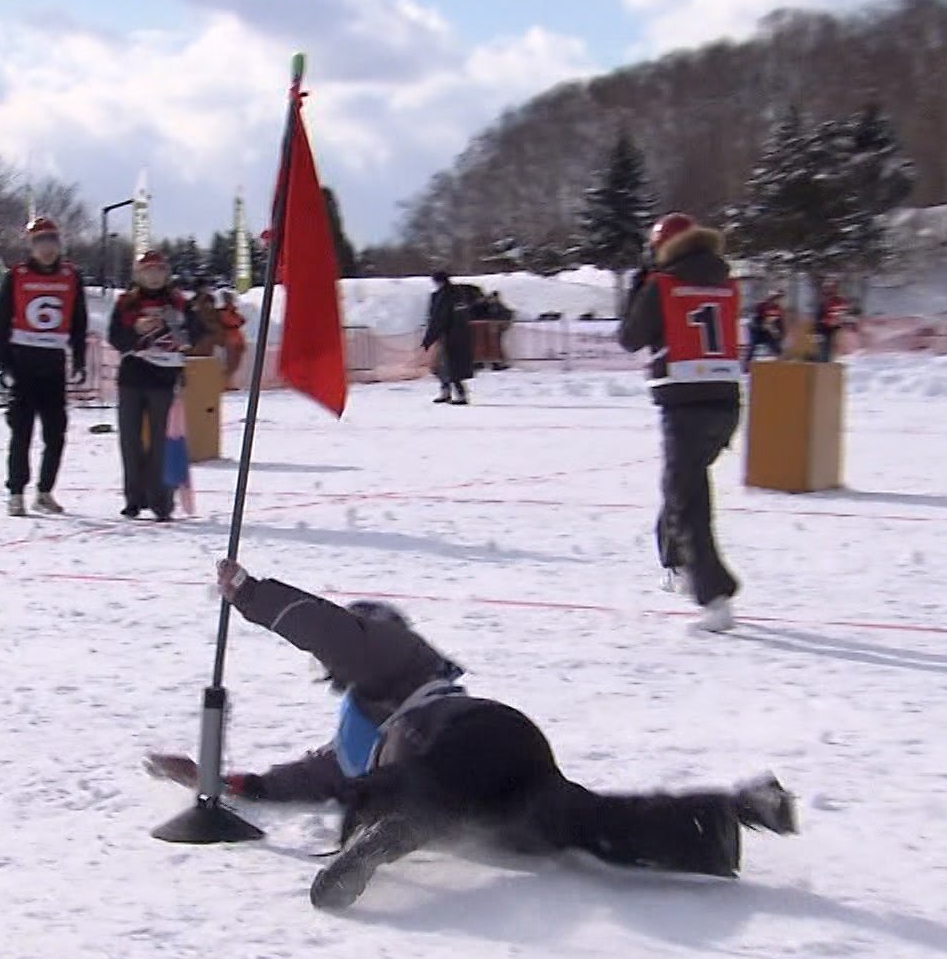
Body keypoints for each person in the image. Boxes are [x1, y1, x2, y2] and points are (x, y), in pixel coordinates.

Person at [146, 562, 798, 910]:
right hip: (510, 776)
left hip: (468, 737)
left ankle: (398, 832)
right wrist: (211, 782)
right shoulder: (358, 728)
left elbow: (330, 631)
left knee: (395, 790)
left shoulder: (390, 656)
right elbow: (287, 782)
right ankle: (730, 813)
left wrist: (251, 595)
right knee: (588, 824)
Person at [617, 213, 744, 632]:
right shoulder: (723, 281)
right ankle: (675, 563)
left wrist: (640, 287)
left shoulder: (663, 285)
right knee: (683, 486)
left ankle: (714, 597)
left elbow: (630, 337)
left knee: (686, 498)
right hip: (725, 401)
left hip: (685, 403)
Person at [0, 216, 87, 518]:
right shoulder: (16, 275)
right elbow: (0, 319)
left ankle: (45, 491)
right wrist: (2, 362)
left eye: (51, 242)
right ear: (31, 246)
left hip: (53, 364)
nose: (46, 249)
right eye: (40, 243)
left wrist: (80, 358)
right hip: (23, 361)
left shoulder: (71, 276)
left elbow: (79, 321)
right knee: (21, 432)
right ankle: (16, 491)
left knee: (56, 433)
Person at [107, 250, 194, 521]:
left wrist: (179, 332)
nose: (154, 277)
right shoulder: (126, 302)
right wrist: (136, 332)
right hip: (133, 377)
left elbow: (197, 332)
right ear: (138, 274)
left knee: (162, 442)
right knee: (130, 440)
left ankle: (161, 501)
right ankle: (134, 498)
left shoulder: (178, 301)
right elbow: (115, 337)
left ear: (166, 274)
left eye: (158, 271)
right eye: (148, 271)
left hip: (164, 380)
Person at [422, 271, 477, 405]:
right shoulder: (461, 294)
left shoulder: (443, 296)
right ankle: (446, 391)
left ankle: (459, 394)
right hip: (463, 334)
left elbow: (438, 318)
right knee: (445, 366)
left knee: (450, 366)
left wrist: (429, 338)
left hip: (448, 335)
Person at [812, 280, 851, 363]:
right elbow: (818, 317)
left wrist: (841, 320)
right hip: (824, 329)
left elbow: (844, 313)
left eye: (831, 288)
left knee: (832, 350)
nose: (829, 290)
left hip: (835, 329)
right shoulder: (823, 302)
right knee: (824, 349)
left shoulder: (840, 301)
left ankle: (828, 366)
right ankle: (822, 366)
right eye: (827, 288)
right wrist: (817, 332)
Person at [746, 288, 786, 364]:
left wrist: (780, 335)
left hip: (768, 333)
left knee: (778, 348)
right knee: (752, 347)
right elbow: (753, 322)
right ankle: (746, 367)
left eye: (779, 299)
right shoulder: (761, 306)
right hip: (756, 332)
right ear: (772, 299)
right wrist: (761, 327)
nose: (777, 301)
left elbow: (780, 323)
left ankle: (781, 365)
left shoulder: (778, 309)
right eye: (776, 299)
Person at [218, 291, 248, 388]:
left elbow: (242, 320)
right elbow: (233, 322)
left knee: (236, 364)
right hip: (229, 339)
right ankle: (224, 383)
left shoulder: (233, 311)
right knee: (230, 363)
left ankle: (228, 382)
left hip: (237, 338)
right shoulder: (223, 312)